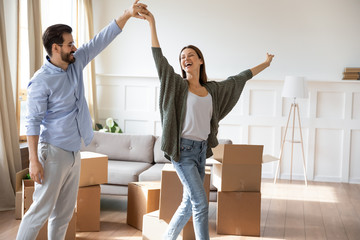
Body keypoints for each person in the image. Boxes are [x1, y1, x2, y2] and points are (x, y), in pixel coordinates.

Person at [16, 1, 148, 239]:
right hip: (53, 152)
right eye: (69, 44)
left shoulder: (75, 64)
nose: (74, 47)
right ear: (56, 48)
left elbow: (101, 39)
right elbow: (32, 123)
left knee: (64, 215)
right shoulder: (41, 81)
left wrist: (127, 14)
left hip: (74, 151)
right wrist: (34, 161)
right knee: (39, 212)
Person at [143, 10, 274, 240]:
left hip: (201, 151)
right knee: (201, 203)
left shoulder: (212, 90)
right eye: (183, 56)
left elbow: (240, 78)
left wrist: (265, 64)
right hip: (182, 151)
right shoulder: (177, 85)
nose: (186, 58)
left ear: (200, 60)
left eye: (191, 54)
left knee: (189, 201)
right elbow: (159, 60)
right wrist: (152, 23)